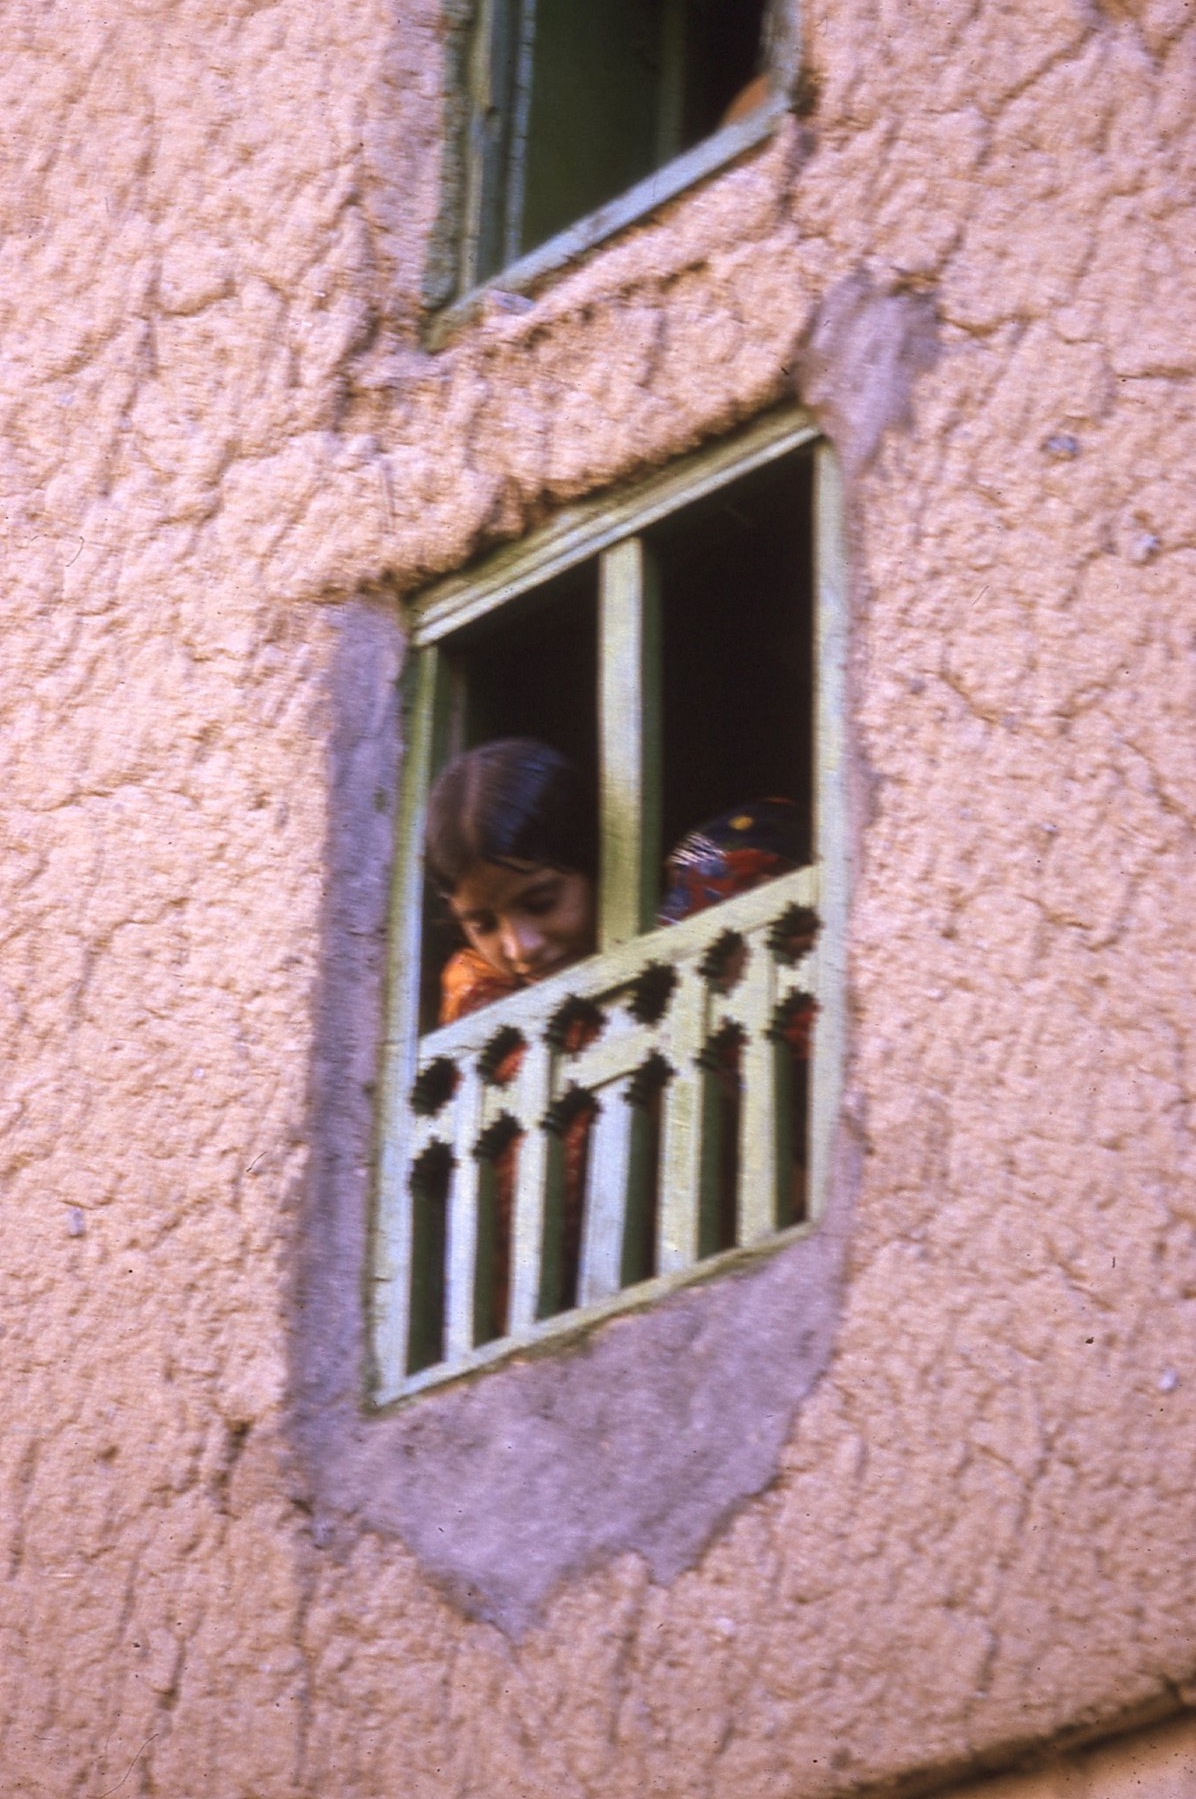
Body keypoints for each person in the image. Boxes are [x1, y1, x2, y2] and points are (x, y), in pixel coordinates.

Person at [424, 738, 813, 1332]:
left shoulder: (716, 917)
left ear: (604, 860)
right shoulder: (483, 1010)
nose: (521, 947)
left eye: (541, 902)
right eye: (484, 924)